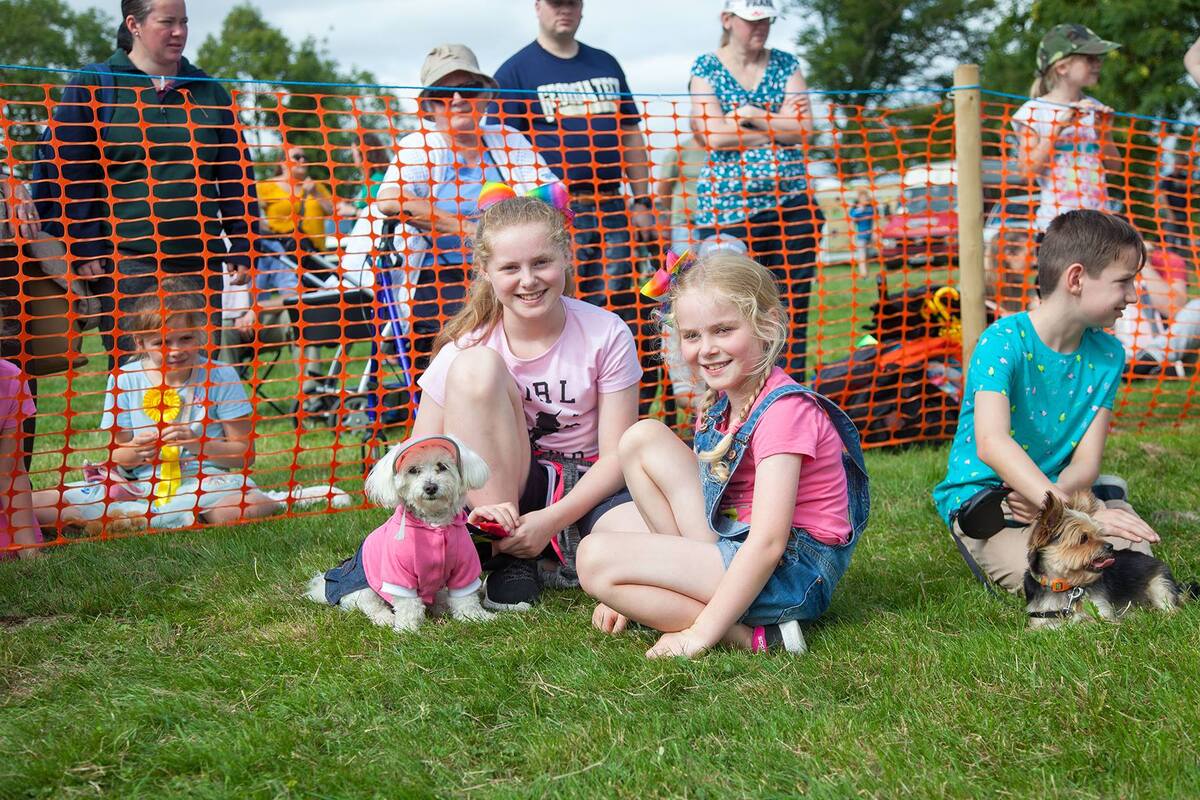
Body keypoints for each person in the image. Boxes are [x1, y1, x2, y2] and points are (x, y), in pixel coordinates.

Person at [576, 250, 870, 658]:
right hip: (735, 534)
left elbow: (768, 542)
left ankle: (750, 637)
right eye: (692, 336)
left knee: (593, 557)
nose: (707, 349)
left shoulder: (784, 412)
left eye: (723, 330)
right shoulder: (721, 401)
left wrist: (698, 635)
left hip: (789, 573)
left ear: (767, 325)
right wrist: (643, 577)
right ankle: (670, 586)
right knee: (639, 444)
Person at [410, 195, 641, 612]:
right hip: (503, 487)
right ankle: (508, 552)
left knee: (643, 543)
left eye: (541, 263)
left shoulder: (606, 332)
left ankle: (536, 551)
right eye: (511, 268)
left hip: (586, 486)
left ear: (566, 257)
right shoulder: (467, 345)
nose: (529, 280)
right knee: (476, 366)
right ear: (486, 272)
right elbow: (420, 452)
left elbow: (617, 456)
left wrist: (551, 520)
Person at [932, 210, 1161, 593]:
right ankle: (1102, 499)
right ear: (1076, 279)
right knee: (1049, 576)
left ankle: (1100, 498)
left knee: (1133, 557)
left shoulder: (1109, 355)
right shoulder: (1002, 341)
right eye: (1124, 281)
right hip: (995, 499)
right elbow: (991, 442)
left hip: (1058, 490)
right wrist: (1064, 507)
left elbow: (1087, 460)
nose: (1133, 296)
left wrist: (1056, 500)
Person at [30, 0, 255, 360]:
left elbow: (236, 175)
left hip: (199, 262)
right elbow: (70, 172)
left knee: (199, 373)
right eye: (167, 22)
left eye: (184, 22)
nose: (179, 32)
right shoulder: (95, 84)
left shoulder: (210, 91)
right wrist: (85, 244)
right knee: (134, 374)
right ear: (134, 24)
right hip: (126, 264)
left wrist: (243, 240)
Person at [493, 0, 659, 413]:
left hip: (613, 203)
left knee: (621, 301)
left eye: (572, 2)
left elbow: (631, 134)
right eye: (555, 2)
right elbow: (503, 146)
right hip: (554, 214)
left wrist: (642, 198)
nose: (563, 9)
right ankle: (573, 406)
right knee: (565, 301)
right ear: (538, 7)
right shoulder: (515, 71)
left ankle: (624, 402)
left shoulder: (605, 63)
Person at [31, 283, 284, 531]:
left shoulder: (221, 375)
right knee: (34, 503)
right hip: (138, 486)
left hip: (206, 483)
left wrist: (197, 444)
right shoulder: (124, 379)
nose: (176, 350)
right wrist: (137, 450)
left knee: (248, 506)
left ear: (200, 334)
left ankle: (123, 519)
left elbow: (245, 454)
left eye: (186, 338)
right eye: (161, 342)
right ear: (140, 343)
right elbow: (115, 455)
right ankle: (164, 517)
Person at [377, 44, 560, 372]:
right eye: (444, 93)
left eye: (469, 88)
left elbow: (553, 196)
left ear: (486, 96)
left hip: (510, 275)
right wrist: (476, 233)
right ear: (430, 106)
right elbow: (390, 199)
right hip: (438, 280)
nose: (459, 99)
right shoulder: (419, 145)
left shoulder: (508, 139)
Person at [689, 0, 822, 378]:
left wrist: (750, 116)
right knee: (729, 308)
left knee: (791, 308)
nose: (760, 27)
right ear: (728, 20)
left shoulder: (786, 64)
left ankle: (787, 391)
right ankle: (734, 393)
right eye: (751, 20)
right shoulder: (706, 67)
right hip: (727, 212)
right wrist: (776, 127)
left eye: (766, 19)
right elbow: (714, 136)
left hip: (791, 205)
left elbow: (804, 129)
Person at [1012, 24, 1122, 233]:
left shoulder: (1095, 107)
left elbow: (1114, 168)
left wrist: (1104, 133)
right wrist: (1057, 129)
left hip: (1099, 225)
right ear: (1062, 67)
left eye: (1098, 58)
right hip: (1058, 228)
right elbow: (1026, 171)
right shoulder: (1034, 111)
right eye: (1090, 58)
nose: (1098, 63)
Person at [257, 144, 336, 258]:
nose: (302, 160)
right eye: (297, 157)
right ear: (283, 163)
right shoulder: (266, 186)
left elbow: (334, 211)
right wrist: (271, 236)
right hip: (284, 254)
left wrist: (316, 193)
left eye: (305, 157)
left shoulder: (316, 186)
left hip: (315, 254)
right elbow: (250, 214)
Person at [0, 353, 39, 560]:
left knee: (13, 550)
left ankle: (48, 506)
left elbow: (10, 473)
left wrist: (29, 549)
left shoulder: (10, 379)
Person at [655, 132, 707, 257]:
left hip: (715, 223)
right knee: (686, 266)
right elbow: (663, 189)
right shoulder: (679, 152)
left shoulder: (721, 151)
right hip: (686, 223)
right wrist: (675, 211)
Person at [1157, 149, 1193, 257]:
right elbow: (1163, 197)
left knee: (1184, 242)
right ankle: (1169, 262)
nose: (1179, 167)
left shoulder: (1186, 179)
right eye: (1177, 164)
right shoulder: (1168, 179)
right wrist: (1169, 213)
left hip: (1184, 215)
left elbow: (1191, 194)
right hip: (1171, 214)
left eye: (1182, 165)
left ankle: (1184, 262)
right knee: (1170, 241)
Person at [848, 189, 876, 278]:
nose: (865, 199)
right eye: (863, 197)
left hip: (869, 235)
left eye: (866, 197)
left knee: (868, 256)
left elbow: (874, 221)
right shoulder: (856, 210)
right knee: (862, 256)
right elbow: (852, 222)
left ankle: (866, 274)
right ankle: (863, 274)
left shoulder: (871, 209)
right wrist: (852, 238)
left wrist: (874, 233)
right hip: (860, 236)